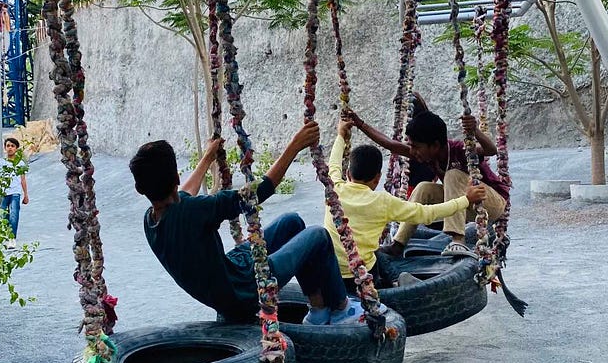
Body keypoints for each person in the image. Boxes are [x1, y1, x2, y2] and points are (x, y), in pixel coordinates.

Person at [129, 123, 366, 328]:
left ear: (141, 190)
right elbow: (260, 190)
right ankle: (341, 307)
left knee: (291, 222)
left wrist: (208, 157)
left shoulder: (151, 220)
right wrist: (295, 144)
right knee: (318, 236)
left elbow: (183, 193)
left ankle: (319, 309)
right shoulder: (194, 211)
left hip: (226, 279)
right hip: (243, 290)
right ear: (176, 178)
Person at [325, 120, 487, 286]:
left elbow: (333, 165)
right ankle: (396, 281)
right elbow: (427, 213)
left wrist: (340, 136)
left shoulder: (333, 189)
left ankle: (394, 275)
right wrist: (465, 200)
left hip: (331, 271)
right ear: (377, 179)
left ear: (347, 173)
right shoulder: (383, 201)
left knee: (373, 253)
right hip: (361, 273)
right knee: (373, 255)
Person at [351, 109, 508, 259]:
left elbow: (491, 150)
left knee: (452, 175)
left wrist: (476, 132)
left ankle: (458, 241)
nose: (412, 152)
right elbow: (391, 145)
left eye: (415, 147)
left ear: (435, 146)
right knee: (424, 188)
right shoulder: (427, 154)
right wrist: (360, 124)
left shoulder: (459, 149)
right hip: (467, 204)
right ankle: (398, 245)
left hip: (491, 204)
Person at [0, 137, 29, 242]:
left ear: (16, 148)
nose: (10, 148)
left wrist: (26, 195)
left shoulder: (20, 163)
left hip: (15, 192)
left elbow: (23, 180)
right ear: (5, 148)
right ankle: (7, 234)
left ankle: (12, 238)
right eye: (8, 146)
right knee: (3, 215)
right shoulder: (0, 162)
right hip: (3, 192)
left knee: (14, 214)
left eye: (12, 146)